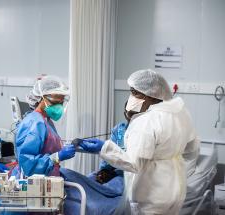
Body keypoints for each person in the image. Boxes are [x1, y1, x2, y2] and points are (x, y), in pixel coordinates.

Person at [79, 69, 199, 214]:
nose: (131, 97)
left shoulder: (146, 121)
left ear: (151, 95)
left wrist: (103, 148)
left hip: (151, 195)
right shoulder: (180, 114)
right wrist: (177, 172)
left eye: (135, 93)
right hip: (176, 191)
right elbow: (192, 151)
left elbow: (134, 163)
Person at [10, 76, 76, 178]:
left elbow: (47, 146)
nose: (58, 107)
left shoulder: (46, 120)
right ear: (40, 99)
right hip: (35, 184)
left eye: (61, 103)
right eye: (54, 103)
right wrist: (57, 157)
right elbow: (28, 165)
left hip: (48, 179)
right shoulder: (34, 124)